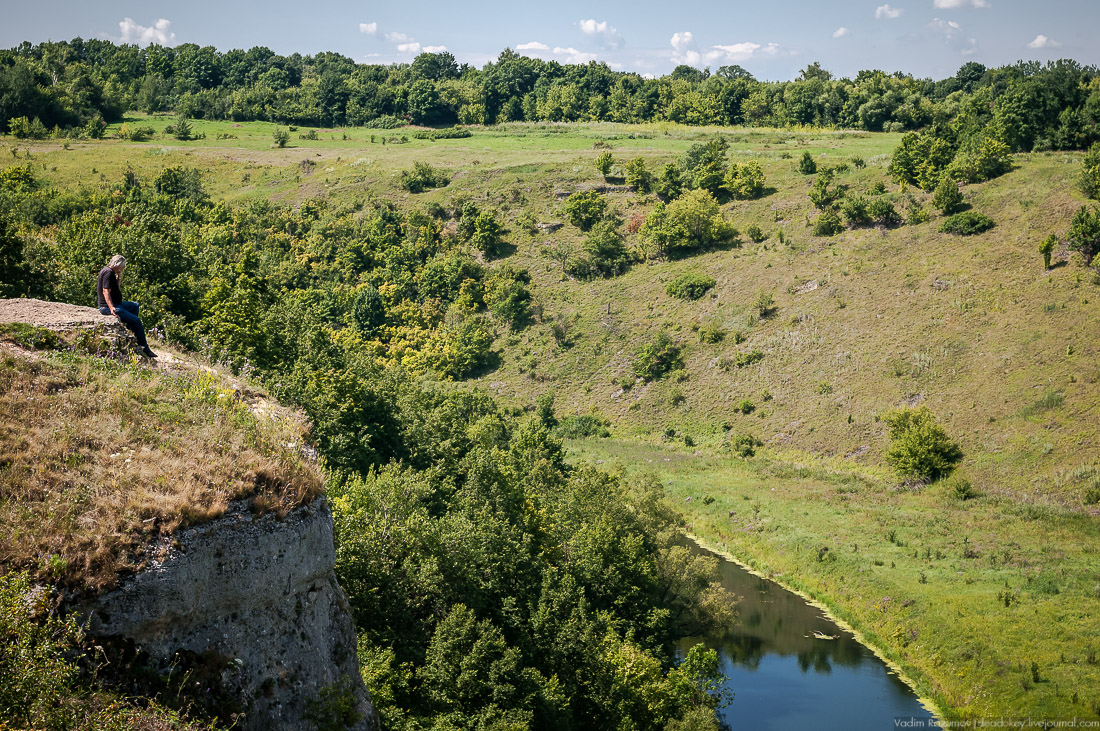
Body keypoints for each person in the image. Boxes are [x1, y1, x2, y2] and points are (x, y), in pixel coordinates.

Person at [97, 254, 157, 358]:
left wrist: (119, 278)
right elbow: (105, 291)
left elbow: (115, 288)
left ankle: (130, 329)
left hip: (117, 304)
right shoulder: (108, 273)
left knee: (134, 305)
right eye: (122, 266)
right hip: (106, 307)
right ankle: (145, 348)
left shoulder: (110, 272)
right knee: (137, 321)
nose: (123, 268)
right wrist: (111, 308)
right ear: (118, 265)